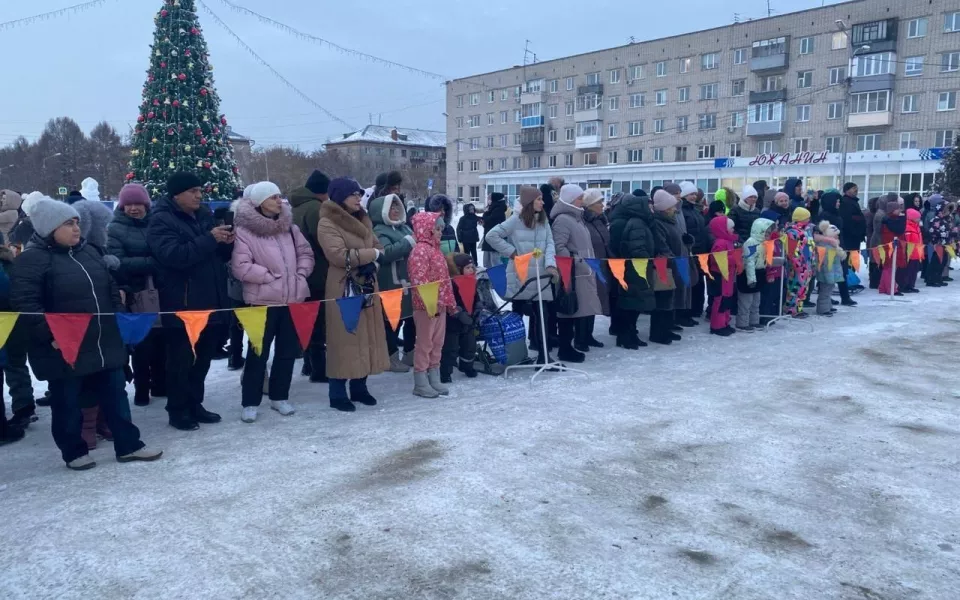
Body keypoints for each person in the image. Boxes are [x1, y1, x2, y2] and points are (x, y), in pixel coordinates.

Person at [10, 197, 161, 469]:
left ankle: (129, 445)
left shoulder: (89, 251)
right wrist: (50, 336)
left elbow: (110, 287)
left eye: (76, 222)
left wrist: (118, 317)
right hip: (64, 346)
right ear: (48, 227)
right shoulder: (31, 260)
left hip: (104, 340)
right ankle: (74, 452)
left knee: (116, 397)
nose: (76, 228)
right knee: (67, 402)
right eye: (68, 223)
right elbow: (27, 305)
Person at [148, 171, 234, 431]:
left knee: (203, 359)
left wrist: (226, 242)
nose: (199, 195)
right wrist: (210, 239)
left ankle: (195, 404)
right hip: (183, 303)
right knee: (181, 361)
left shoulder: (203, 216)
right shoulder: (161, 220)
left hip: (210, 299)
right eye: (193, 191)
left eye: (200, 190)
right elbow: (174, 256)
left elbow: (215, 256)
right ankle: (177, 410)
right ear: (176, 195)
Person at [231, 181, 314, 423]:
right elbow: (241, 266)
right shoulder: (245, 230)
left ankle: (280, 396)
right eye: (273, 197)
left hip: (293, 298)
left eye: (280, 196)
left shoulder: (289, 227)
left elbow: (306, 253)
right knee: (258, 352)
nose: (279, 200)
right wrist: (269, 277)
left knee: (287, 352)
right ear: (259, 202)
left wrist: (300, 274)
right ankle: (250, 401)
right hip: (262, 302)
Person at [316, 177, 390, 411]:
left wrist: (373, 264)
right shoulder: (327, 223)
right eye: (353, 194)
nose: (358, 198)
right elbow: (338, 255)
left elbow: (380, 249)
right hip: (343, 286)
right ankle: (337, 393)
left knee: (366, 335)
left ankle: (360, 386)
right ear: (339, 197)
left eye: (359, 194)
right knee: (345, 338)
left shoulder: (363, 218)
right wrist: (370, 256)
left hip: (367, 282)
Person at [484, 186, 559, 364]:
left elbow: (550, 244)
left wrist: (550, 265)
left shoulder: (543, 221)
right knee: (517, 317)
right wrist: (512, 252)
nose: (542, 202)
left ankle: (543, 354)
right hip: (521, 275)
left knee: (543, 316)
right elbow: (491, 236)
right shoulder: (515, 220)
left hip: (540, 276)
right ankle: (518, 354)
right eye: (539, 199)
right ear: (528, 203)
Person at [107, 183, 165, 407]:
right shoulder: (115, 228)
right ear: (122, 206)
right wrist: (152, 263)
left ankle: (161, 383)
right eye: (128, 204)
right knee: (142, 343)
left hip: (161, 290)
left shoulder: (157, 223)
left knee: (163, 340)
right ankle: (142, 388)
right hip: (135, 293)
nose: (134, 208)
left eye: (138, 203)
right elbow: (117, 262)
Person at [407, 211, 457, 397]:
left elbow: (445, 280)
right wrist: (430, 302)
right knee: (425, 343)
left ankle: (433, 375)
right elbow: (419, 279)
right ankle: (420, 380)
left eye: (441, 229)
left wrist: (448, 301)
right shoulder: (419, 251)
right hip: (425, 306)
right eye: (437, 229)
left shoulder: (436, 250)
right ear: (426, 229)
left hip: (440, 304)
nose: (440, 232)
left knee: (437, 342)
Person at [551, 184, 602, 363]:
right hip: (572, 272)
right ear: (571, 199)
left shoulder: (577, 218)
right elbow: (559, 247)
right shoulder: (563, 219)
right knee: (568, 311)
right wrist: (577, 260)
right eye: (580, 198)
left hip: (583, 270)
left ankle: (570, 345)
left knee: (577, 311)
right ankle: (565, 348)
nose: (583, 201)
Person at [290, 170, 330, 383]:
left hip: (300, 272)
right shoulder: (315, 208)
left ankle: (308, 363)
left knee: (306, 318)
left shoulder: (295, 206)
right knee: (318, 321)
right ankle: (319, 369)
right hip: (317, 271)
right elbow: (323, 239)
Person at [369, 192, 416, 372]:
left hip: (410, 284)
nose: (395, 210)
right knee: (392, 322)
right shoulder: (379, 231)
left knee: (411, 319)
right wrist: (409, 243)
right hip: (391, 285)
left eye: (397, 206)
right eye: (391, 207)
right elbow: (385, 253)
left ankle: (410, 352)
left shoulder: (405, 228)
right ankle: (390, 357)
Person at [608, 192, 656, 349]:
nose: (651, 208)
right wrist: (648, 258)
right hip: (634, 268)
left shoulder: (639, 221)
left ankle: (630, 334)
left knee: (635, 303)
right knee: (630, 304)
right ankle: (625, 336)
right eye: (648, 205)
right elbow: (636, 247)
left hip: (637, 268)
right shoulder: (636, 223)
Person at [649, 190, 686, 345]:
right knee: (662, 300)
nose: (675, 209)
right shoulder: (657, 223)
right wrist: (671, 257)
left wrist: (686, 242)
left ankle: (667, 328)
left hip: (673, 263)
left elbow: (675, 240)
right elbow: (661, 245)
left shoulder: (670, 221)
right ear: (664, 208)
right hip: (663, 266)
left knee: (669, 298)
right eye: (671, 207)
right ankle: (658, 333)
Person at [440, 254, 479, 383]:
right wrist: (461, 314)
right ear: (458, 269)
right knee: (450, 348)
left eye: (472, 267)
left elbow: (476, 298)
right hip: (454, 322)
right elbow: (452, 302)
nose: (471, 270)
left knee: (469, 345)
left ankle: (467, 366)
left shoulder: (472, 281)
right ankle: (445, 372)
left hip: (469, 320)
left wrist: (478, 308)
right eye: (468, 268)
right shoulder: (451, 283)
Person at [580, 189, 609, 348]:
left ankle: (588, 335)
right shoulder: (584, 221)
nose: (602, 205)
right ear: (590, 205)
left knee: (594, 300)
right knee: (586, 301)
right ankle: (581, 337)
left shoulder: (600, 220)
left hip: (601, 265)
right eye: (599, 202)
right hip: (587, 265)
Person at [678, 184, 708, 325]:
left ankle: (696, 309)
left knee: (698, 281)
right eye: (690, 194)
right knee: (688, 282)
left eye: (695, 194)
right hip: (689, 250)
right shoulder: (681, 211)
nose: (694, 196)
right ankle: (685, 313)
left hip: (700, 251)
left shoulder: (695, 210)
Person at [738, 218, 774, 331]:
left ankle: (754, 321)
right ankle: (742, 323)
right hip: (748, 275)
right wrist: (751, 279)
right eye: (766, 232)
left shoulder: (764, 243)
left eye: (769, 232)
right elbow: (749, 262)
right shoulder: (751, 242)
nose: (768, 234)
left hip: (759, 273)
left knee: (756, 301)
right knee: (746, 302)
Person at [706, 216, 737, 336]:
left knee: (727, 299)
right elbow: (718, 259)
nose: (733, 230)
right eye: (731, 228)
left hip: (728, 275)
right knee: (720, 300)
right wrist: (735, 258)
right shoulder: (720, 243)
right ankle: (717, 326)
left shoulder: (728, 241)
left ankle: (725, 322)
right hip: (720, 275)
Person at [783, 207, 813, 318]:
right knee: (794, 287)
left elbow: (810, 248)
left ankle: (799, 308)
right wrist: (796, 264)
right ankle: (791, 309)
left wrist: (812, 262)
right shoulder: (792, 232)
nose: (809, 220)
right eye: (807, 218)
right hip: (797, 266)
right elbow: (791, 251)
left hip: (807, 265)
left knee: (803, 288)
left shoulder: (807, 231)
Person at [838, 182, 866, 296]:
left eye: (857, 188)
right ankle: (848, 282)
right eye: (854, 189)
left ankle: (852, 280)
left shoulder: (854, 202)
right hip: (849, 236)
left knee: (853, 259)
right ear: (847, 190)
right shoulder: (845, 202)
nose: (856, 190)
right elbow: (848, 220)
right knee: (848, 260)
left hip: (855, 237)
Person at [814, 221, 847, 315]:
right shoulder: (826, 246)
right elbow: (825, 260)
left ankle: (828, 306)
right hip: (827, 272)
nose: (838, 237)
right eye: (836, 235)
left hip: (832, 271)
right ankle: (823, 309)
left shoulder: (833, 245)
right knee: (825, 291)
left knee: (829, 290)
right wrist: (838, 248)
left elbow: (842, 256)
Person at [481, 192, 508, 268]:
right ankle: (489, 277)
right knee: (487, 262)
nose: (488, 200)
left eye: (489, 198)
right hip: (488, 237)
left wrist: (485, 216)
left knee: (495, 262)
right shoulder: (492, 208)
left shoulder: (498, 209)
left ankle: (496, 278)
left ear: (494, 199)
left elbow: (491, 221)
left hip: (494, 238)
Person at [902, 208, 923, 293]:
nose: (919, 219)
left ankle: (911, 285)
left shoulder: (917, 227)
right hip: (910, 253)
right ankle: (905, 286)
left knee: (914, 270)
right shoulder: (907, 227)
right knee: (908, 270)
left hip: (917, 252)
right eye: (917, 217)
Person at [866, 196, 883, 289]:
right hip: (873, 239)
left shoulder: (873, 214)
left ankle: (873, 279)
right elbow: (869, 228)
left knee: (874, 259)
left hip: (872, 238)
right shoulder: (873, 215)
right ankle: (874, 280)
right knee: (875, 259)